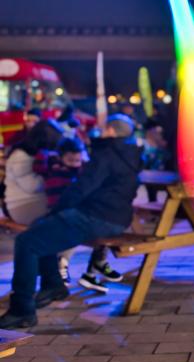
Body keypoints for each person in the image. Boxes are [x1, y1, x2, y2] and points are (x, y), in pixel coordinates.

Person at [0, 115, 141, 329]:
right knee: (41, 229)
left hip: (97, 217)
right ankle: (53, 285)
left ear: (111, 131)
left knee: (27, 242)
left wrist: (57, 211)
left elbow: (82, 187)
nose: (100, 130)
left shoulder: (107, 154)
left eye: (104, 128)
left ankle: (22, 309)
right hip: (115, 217)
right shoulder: (129, 153)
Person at [33, 137, 86, 283]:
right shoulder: (52, 169)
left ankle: (62, 263)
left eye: (78, 160)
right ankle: (58, 265)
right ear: (60, 157)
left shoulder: (82, 173)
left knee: (76, 231)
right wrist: (47, 152)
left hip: (73, 213)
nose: (75, 164)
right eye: (71, 160)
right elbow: (38, 166)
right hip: (56, 212)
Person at [3, 120, 63, 225]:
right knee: (66, 216)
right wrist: (52, 173)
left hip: (33, 202)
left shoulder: (35, 154)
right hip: (23, 206)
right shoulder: (21, 156)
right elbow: (32, 186)